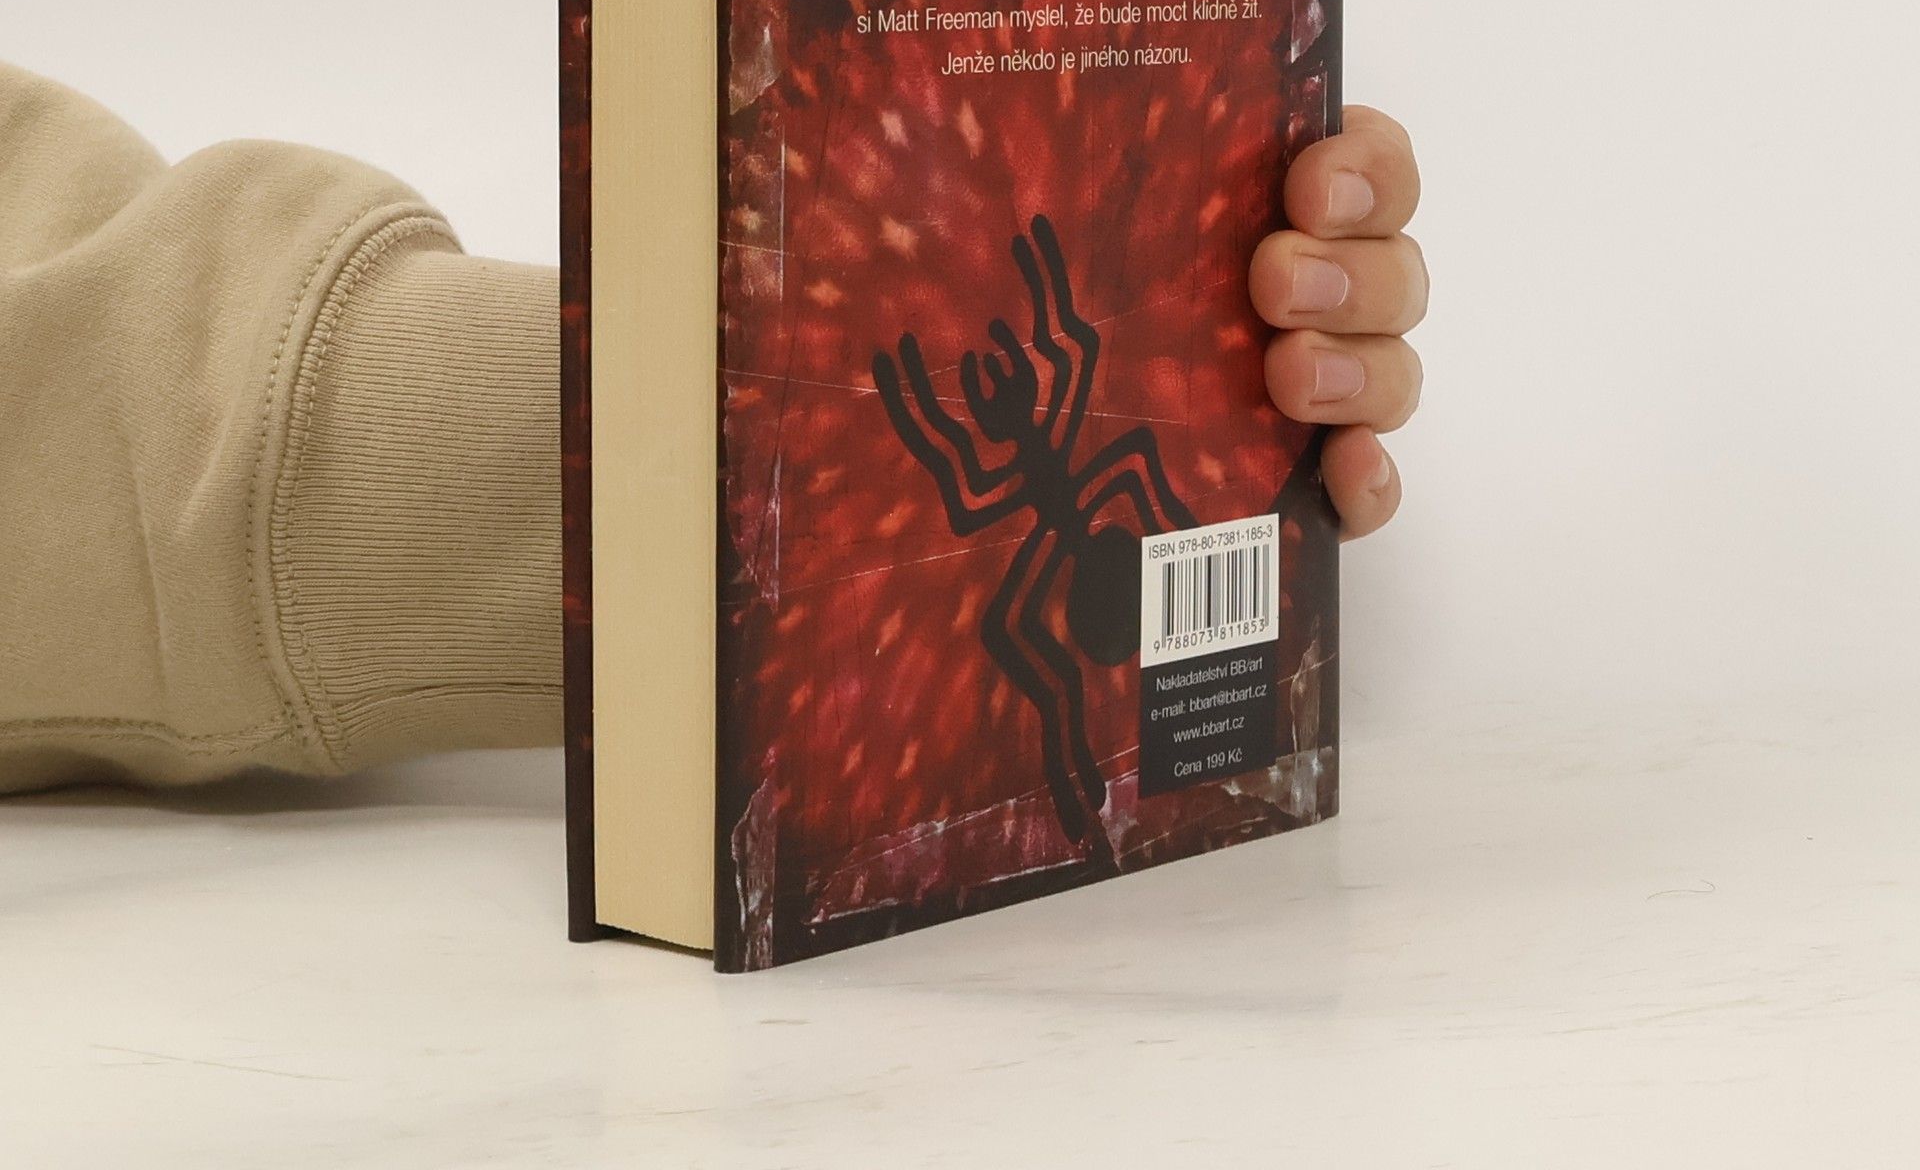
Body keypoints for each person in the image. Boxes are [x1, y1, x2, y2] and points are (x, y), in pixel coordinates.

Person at [0, 62, 1426, 795]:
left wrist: (1204, 373)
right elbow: (1005, 416)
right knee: (1051, 562)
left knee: (1038, 594)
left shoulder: (1047, 447)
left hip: (1057, 542)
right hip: (1025, 527)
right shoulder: (1066, 438)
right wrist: (785, 402)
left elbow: (987, 434)